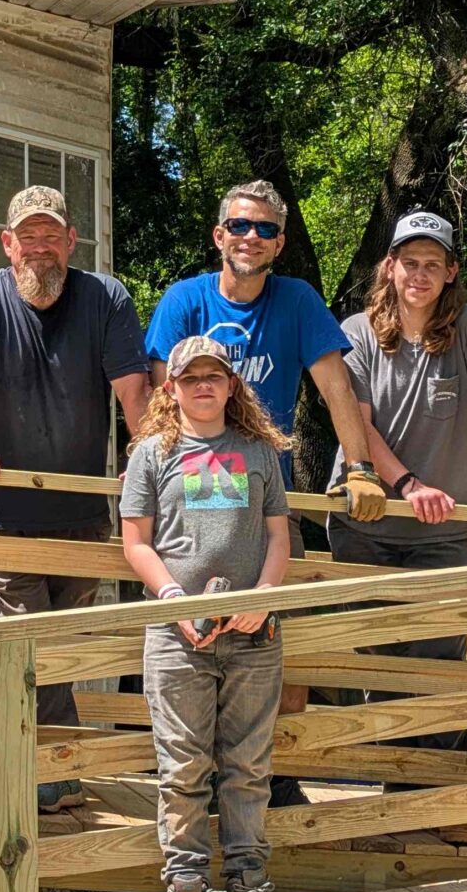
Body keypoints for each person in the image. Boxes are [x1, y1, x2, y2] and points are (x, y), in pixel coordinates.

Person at [145, 179, 387, 800]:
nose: (251, 237)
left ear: (279, 244)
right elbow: (155, 399)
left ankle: (277, 776)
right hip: (189, 501)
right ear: (219, 234)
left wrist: (358, 467)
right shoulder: (185, 300)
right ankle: (188, 779)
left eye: (266, 229)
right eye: (240, 226)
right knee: (186, 636)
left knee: (281, 632)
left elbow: (336, 389)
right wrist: (154, 477)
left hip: (267, 499)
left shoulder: (297, 300)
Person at [0, 185, 150, 806]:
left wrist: (148, 458)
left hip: (82, 513)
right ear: (8, 244)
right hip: (7, 512)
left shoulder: (105, 296)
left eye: (50, 236)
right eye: (26, 236)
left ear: (71, 242)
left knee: (61, 645)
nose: (39, 248)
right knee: (25, 637)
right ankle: (46, 776)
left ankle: (44, 770)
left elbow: (134, 390)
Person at [325, 211, 467, 762]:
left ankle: (434, 795)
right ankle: (394, 794)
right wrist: (408, 484)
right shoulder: (356, 332)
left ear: (450, 272)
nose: (419, 274)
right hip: (365, 524)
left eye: (432, 264)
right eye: (409, 262)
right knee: (383, 661)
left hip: (441, 530)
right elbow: (358, 425)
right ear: (389, 267)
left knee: (439, 661)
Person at [121, 336, 299, 892]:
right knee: (183, 770)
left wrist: (265, 595)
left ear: (232, 386)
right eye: (189, 376)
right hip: (178, 636)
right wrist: (169, 595)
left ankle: (251, 890)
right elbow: (136, 541)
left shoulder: (259, 451)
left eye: (214, 376)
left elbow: (279, 535)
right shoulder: (152, 453)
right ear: (170, 387)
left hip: (254, 634)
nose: (202, 386)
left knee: (248, 768)